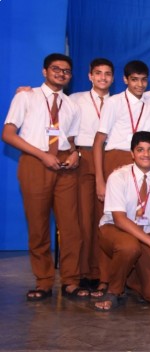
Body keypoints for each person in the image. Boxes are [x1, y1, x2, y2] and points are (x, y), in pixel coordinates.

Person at [2, 53, 87, 301]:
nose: (61, 73)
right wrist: (41, 155)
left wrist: (75, 155)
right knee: (38, 226)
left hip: (64, 166)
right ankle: (44, 281)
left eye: (66, 71)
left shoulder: (72, 105)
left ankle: (70, 280)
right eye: (56, 69)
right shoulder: (25, 96)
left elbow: (72, 141)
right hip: (35, 161)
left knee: (71, 227)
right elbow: (8, 134)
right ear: (44, 71)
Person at [95, 131, 150, 310]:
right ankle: (114, 291)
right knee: (129, 247)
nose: (146, 154)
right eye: (140, 150)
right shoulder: (118, 177)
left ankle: (129, 277)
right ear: (132, 153)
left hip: (146, 232)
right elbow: (119, 219)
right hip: (115, 229)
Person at [69, 58, 114, 292]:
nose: (103, 78)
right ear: (90, 76)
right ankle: (85, 272)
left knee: (105, 219)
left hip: (111, 159)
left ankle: (103, 273)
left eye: (107, 74)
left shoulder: (118, 102)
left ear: (114, 78)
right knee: (85, 219)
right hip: (84, 158)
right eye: (98, 73)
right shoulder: (75, 100)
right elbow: (58, 119)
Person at [94, 60, 150, 204]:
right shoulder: (114, 102)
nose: (140, 85)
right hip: (117, 158)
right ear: (125, 79)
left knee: (139, 205)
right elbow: (98, 141)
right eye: (134, 80)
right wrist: (100, 180)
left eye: (143, 80)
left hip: (143, 158)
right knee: (115, 207)